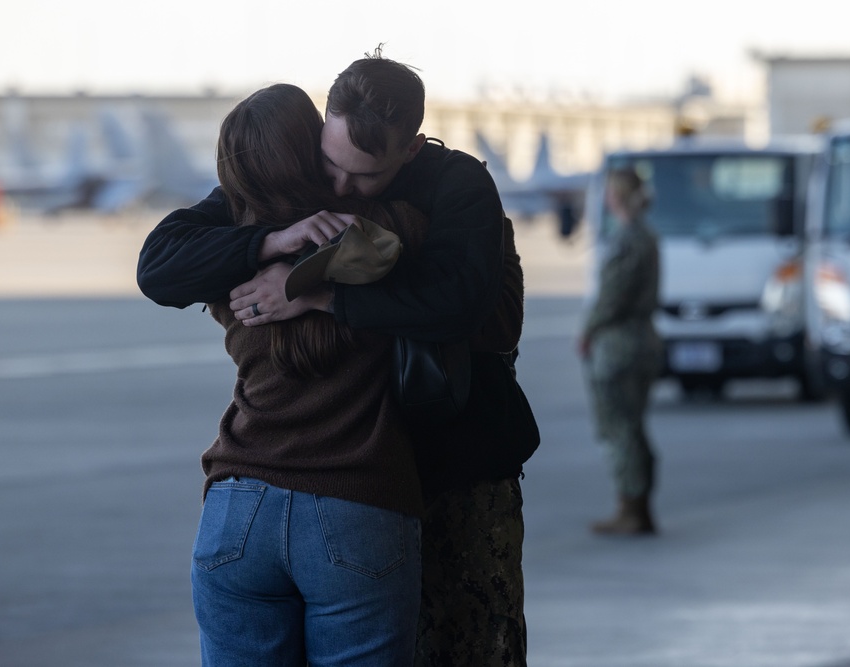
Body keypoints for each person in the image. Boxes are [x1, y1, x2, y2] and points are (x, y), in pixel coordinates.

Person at [137, 49, 531, 665]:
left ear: (410, 149)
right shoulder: (288, 203)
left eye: (365, 176)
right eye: (329, 163)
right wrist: (272, 240)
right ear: (321, 127)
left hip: (448, 473)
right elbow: (159, 264)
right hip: (363, 496)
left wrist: (317, 294)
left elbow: (467, 306)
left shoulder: (451, 189)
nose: (340, 188)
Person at [188, 83, 431, 666]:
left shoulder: (226, 257)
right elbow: (472, 306)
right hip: (356, 503)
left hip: (237, 507)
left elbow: (162, 263)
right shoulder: (392, 228)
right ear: (313, 150)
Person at [577, 167, 663, 536]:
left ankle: (631, 506)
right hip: (641, 339)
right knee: (633, 424)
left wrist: (588, 330)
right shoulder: (646, 236)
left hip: (619, 345)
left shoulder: (629, 239)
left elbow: (612, 297)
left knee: (619, 427)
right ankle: (638, 506)